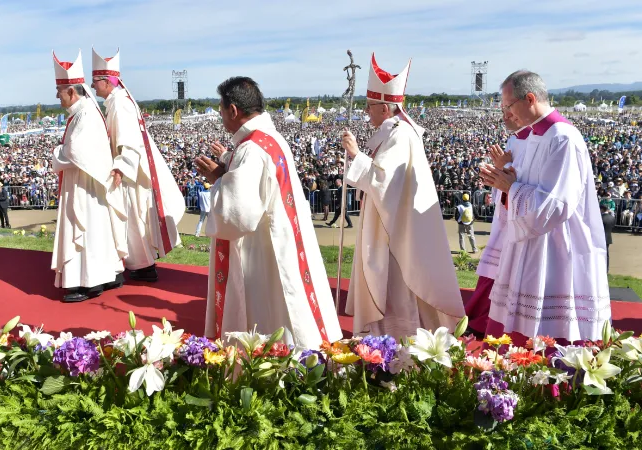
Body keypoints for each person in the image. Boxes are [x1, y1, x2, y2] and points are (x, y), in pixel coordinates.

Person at [195, 76, 342, 348]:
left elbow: (237, 214)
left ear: (234, 110)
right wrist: (228, 160)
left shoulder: (251, 148)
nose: (221, 116)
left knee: (274, 311)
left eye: (221, 109)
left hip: (265, 249)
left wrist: (218, 179)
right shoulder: (269, 138)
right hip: (283, 237)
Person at [480, 70, 610, 344]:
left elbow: (556, 205)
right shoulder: (530, 136)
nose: (506, 113)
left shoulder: (563, 138)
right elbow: (518, 185)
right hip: (526, 244)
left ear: (529, 99)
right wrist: (504, 178)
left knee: (546, 340)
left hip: (554, 249)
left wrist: (510, 188)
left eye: (508, 106)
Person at [340, 53, 465, 337]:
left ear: (385, 108)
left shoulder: (400, 135)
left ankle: (396, 347)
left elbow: (386, 182)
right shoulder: (391, 132)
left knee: (396, 290)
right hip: (387, 223)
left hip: (395, 232)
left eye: (370, 106)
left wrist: (355, 155)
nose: (366, 112)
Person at [92, 48, 185, 282]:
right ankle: (142, 265)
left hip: (130, 173)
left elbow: (130, 141)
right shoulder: (118, 100)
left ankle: (144, 266)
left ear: (106, 81)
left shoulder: (120, 103)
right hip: (130, 170)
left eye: (95, 82)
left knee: (133, 220)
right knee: (134, 220)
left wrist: (121, 167)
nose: (93, 87)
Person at [51, 50, 127, 303]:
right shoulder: (84, 111)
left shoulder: (85, 114)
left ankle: (88, 281)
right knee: (97, 229)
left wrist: (55, 152)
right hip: (88, 182)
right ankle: (105, 275)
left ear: (72, 91)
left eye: (60, 92)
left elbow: (75, 151)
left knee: (88, 228)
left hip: (85, 186)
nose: (57, 96)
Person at [465, 123, 530, 338]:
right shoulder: (514, 139)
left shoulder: (542, 141)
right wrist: (496, 173)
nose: (506, 116)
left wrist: (505, 166)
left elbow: (526, 183)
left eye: (509, 108)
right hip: (505, 220)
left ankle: (488, 323)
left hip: (522, 224)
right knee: (490, 277)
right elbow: (506, 185)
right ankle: (481, 320)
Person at [601, 203, 615, 273]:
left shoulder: (600, 218)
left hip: (601, 238)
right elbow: (613, 226)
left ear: (602, 210)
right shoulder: (612, 218)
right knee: (607, 255)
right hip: (608, 237)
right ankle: (607, 269)